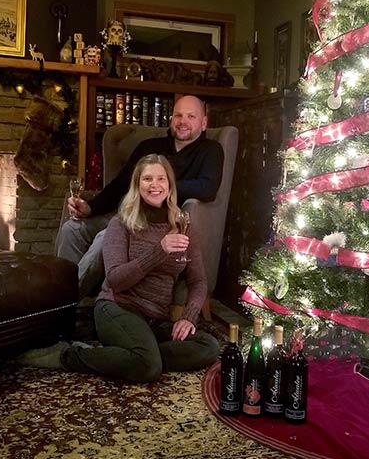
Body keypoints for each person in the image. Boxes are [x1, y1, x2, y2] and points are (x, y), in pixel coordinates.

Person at [18, 154, 220, 381]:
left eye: (161, 179)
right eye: (147, 179)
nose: (155, 185)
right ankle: (68, 355)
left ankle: (135, 354)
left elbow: (198, 280)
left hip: (155, 317)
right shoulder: (121, 223)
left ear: (170, 185)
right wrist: (159, 250)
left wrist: (189, 317)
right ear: (137, 185)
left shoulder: (182, 226)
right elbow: (115, 279)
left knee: (209, 346)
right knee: (148, 368)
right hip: (118, 307)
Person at [56, 95, 224, 297]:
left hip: (157, 225)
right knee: (72, 229)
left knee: (105, 237)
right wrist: (91, 207)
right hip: (124, 214)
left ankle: (62, 301)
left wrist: (160, 187)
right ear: (171, 119)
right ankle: (70, 296)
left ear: (204, 123)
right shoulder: (148, 147)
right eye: (178, 115)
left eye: (191, 116)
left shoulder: (211, 150)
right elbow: (121, 184)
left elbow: (207, 188)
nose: (183, 121)